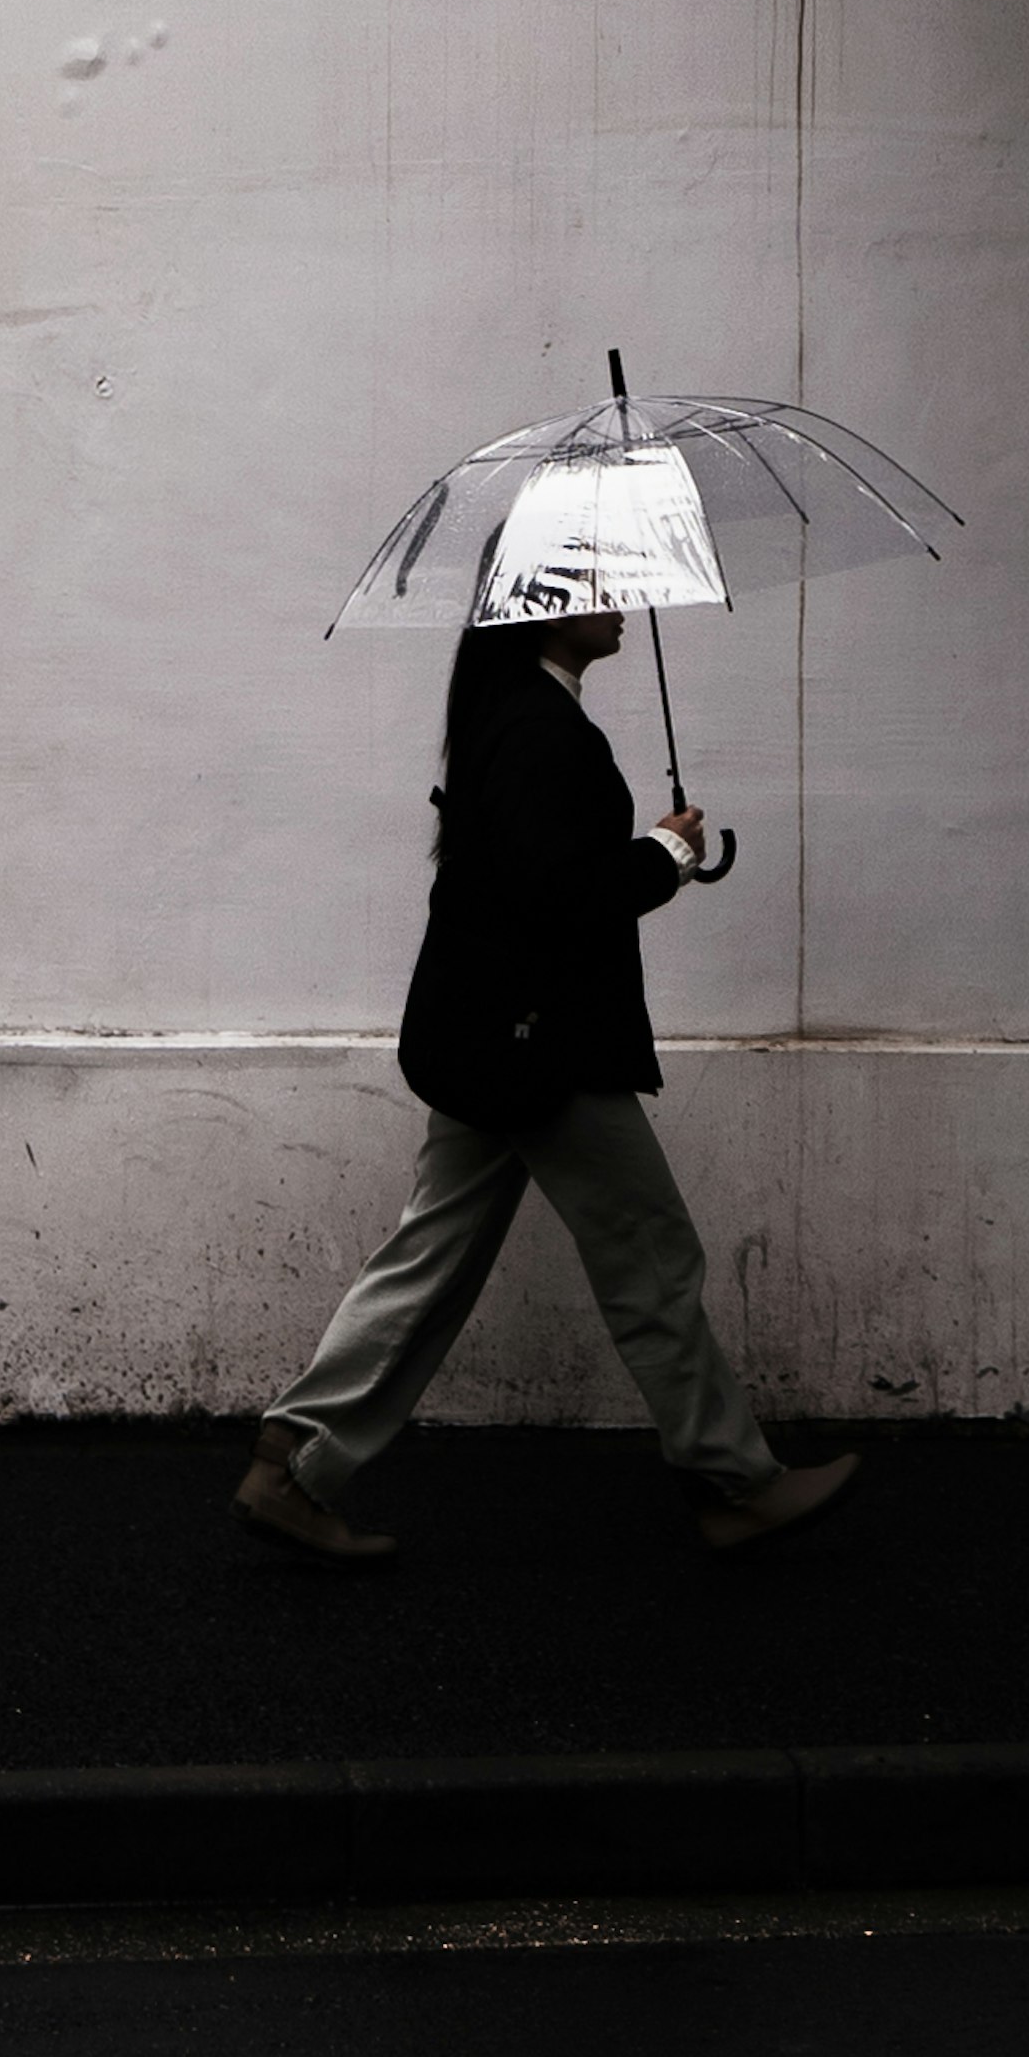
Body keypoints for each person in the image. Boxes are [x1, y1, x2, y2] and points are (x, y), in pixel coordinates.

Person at [238, 603, 860, 1563]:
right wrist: (664, 851)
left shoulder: (516, 709)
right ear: (548, 610)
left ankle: (292, 1459)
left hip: (495, 1039)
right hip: (544, 1047)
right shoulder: (536, 725)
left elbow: (531, 878)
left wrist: (658, 855)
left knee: (429, 1258)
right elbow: (554, 897)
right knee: (651, 1255)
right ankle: (737, 1482)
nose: (620, 605)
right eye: (598, 587)